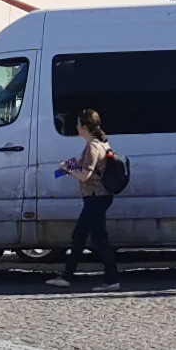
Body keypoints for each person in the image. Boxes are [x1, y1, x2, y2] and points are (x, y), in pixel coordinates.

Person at [48, 110, 119, 286]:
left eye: (78, 125)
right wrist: (70, 164)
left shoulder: (93, 146)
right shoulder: (101, 142)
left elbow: (85, 175)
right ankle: (67, 276)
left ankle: (112, 279)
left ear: (85, 127)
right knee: (80, 236)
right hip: (97, 198)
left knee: (98, 239)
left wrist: (69, 169)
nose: (77, 128)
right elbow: (87, 165)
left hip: (96, 197)